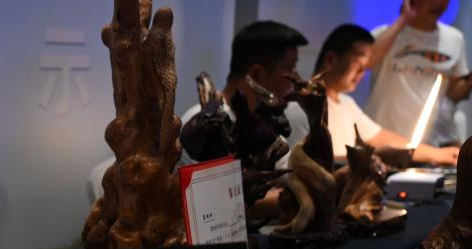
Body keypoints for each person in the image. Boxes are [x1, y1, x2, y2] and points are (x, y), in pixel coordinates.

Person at [315, 23, 460, 164]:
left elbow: (380, 138)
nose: (362, 72)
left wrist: (438, 154)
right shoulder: (309, 104)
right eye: (357, 63)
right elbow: (315, 161)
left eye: (365, 66)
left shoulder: (347, 105)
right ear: (331, 60)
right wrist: (371, 157)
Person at [181, 20, 312, 164]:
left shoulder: (267, 131)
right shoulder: (198, 127)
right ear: (257, 75)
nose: (297, 79)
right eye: (289, 68)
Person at [365, 0, 470, 148]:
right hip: (381, 139)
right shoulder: (386, 33)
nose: (439, 4)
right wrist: (403, 20)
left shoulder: (454, 39)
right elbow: (366, 62)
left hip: (426, 143)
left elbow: (453, 93)